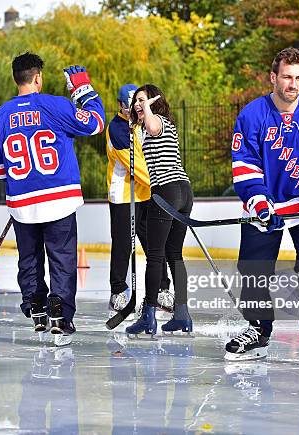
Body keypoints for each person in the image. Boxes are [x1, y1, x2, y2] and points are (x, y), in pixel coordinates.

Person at [226, 47, 299, 366]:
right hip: (264, 205)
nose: (292, 84)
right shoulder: (251, 115)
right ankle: (257, 329)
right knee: (253, 269)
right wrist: (258, 199)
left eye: (298, 78)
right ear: (273, 78)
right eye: (286, 77)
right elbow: (245, 164)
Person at [0, 52, 105, 345]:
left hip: (22, 203)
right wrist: (83, 90)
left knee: (29, 259)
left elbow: (0, 170)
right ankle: (60, 313)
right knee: (62, 259)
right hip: (59, 199)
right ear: (38, 77)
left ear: (16, 78)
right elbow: (95, 124)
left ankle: (36, 304)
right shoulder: (55, 105)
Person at [125, 84, 194, 337]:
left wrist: (147, 109)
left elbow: (153, 126)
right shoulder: (155, 124)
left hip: (167, 191)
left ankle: (149, 317)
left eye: (142, 100)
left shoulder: (157, 122)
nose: (137, 105)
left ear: (154, 102)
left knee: (155, 256)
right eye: (136, 101)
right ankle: (182, 315)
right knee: (174, 254)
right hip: (183, 191)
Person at [106, 84, 172, 319]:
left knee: (155, 243)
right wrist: (160, 182)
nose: (132, 111)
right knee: (123, 244)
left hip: (145, 194)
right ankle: (118, 290)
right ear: (120, 106)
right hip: (124, 196)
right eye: (128, 107)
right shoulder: (116, 128)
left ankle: (163, 289)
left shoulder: (143, 121)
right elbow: (136, 167)